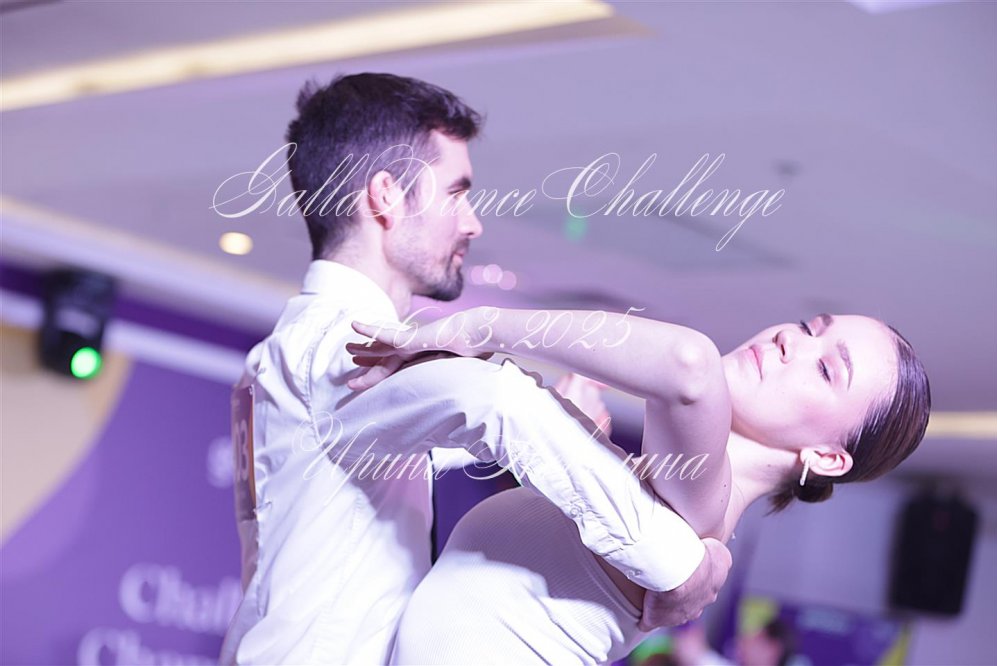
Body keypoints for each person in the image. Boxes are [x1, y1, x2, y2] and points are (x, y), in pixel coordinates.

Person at [219, 72, 731, 665]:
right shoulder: (341, 349)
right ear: (386, 196)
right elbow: (496, 404)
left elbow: (365, 465)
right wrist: (677, 566)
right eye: (456, 193)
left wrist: (565, 418)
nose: (472, 223)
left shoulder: (289, 351)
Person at [347, 305, 931, 663]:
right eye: (809, 327)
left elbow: (689, 363)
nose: (792, 342)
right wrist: (575, 431)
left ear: (827, 457)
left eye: (826, 368)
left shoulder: (701, 520)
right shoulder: (661, 495)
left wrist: (477, 327)